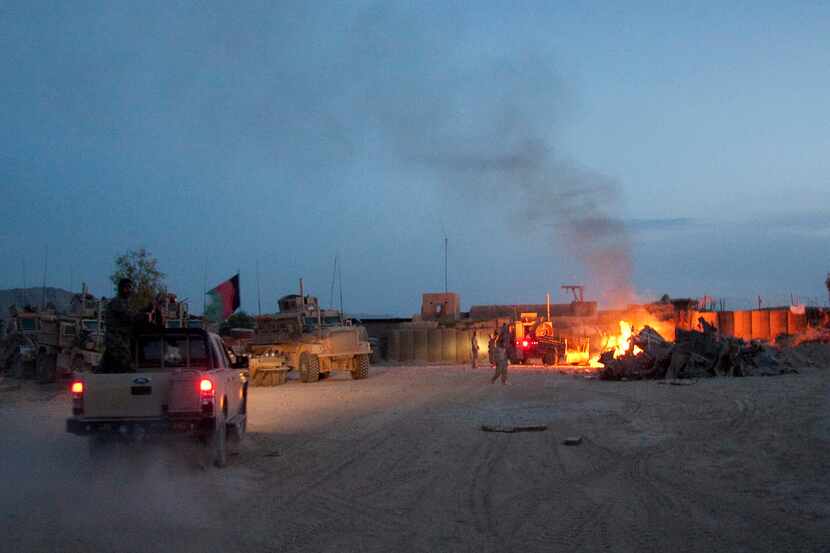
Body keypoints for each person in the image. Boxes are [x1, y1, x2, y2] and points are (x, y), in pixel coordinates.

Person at [98, 278, 149, 373]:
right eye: (127, 288)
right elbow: (128, 317)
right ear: (121, 289)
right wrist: (143, 315)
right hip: (116, 339)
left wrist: (144, 311)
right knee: (127, 364)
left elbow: (131, 315)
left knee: (108, 365)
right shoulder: (117, 303)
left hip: (121, 338)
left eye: (130, 288)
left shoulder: (124, 303)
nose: (129, 291)